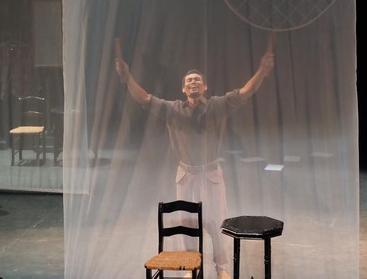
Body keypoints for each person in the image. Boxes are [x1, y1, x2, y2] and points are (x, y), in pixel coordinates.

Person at [115, 46, 275, 279]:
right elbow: (145, 98)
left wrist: (261, 70)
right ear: (183, 88)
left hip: (211, 175)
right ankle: (190, 266)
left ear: (205, 87)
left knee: (218, 220)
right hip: (186, 175)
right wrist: (127, 76)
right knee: (187, 221)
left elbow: (244, 92)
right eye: (189, 80)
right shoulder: (173, 109)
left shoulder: (217, 105)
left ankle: (222, 267)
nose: (193, 82)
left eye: (197, 80)